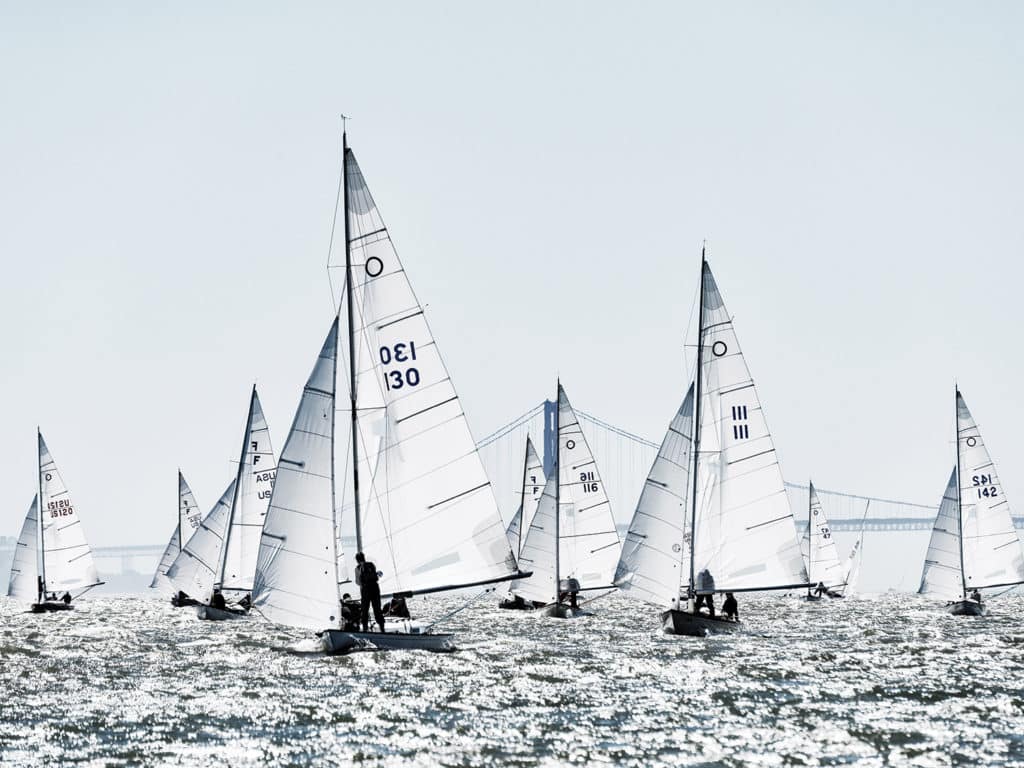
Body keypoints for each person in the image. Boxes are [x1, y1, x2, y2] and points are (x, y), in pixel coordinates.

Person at [355, 552, 385, 633]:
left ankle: (365, 630)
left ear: (357, 560)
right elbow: (377, 576)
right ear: (364, 557)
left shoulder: (358, 568)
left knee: (364, 610)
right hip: (375, 588)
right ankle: (383, 630)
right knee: (377, 609)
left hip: (365, 590)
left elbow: (358, 582)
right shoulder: (371, 564)